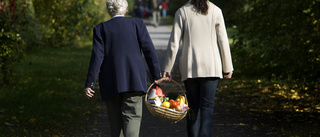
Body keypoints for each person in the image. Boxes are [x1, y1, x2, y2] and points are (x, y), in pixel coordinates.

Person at [84, 0, 163, 136]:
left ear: (109, 11)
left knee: (115, 126)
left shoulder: (100, 29)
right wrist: (156, 75)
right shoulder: (137, 24)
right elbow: (149, 50)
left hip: (111, 82)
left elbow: (97, 57)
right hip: (134, 80)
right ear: (125, 10)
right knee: (132, 118)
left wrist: (90, 83)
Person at [162, 0, 234, 137]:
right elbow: (223, 41)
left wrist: (167, 67)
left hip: (190, 67)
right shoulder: (216, 11)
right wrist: (228, 66)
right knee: (207, 108)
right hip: (211, 67)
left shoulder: (182, 12)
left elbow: (173, 43)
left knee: (192, 108)